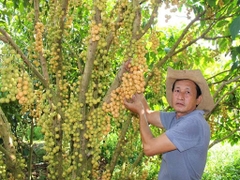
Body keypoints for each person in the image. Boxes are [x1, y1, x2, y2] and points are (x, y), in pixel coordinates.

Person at [124, 67, 215, 180]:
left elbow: (149, 148)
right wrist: (134, 78)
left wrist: (140, 111)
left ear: (198, 99)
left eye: (187, 92)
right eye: (177, 90)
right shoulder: (177, 117)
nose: (181, 96)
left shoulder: (193, 123)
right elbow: (148, 115)